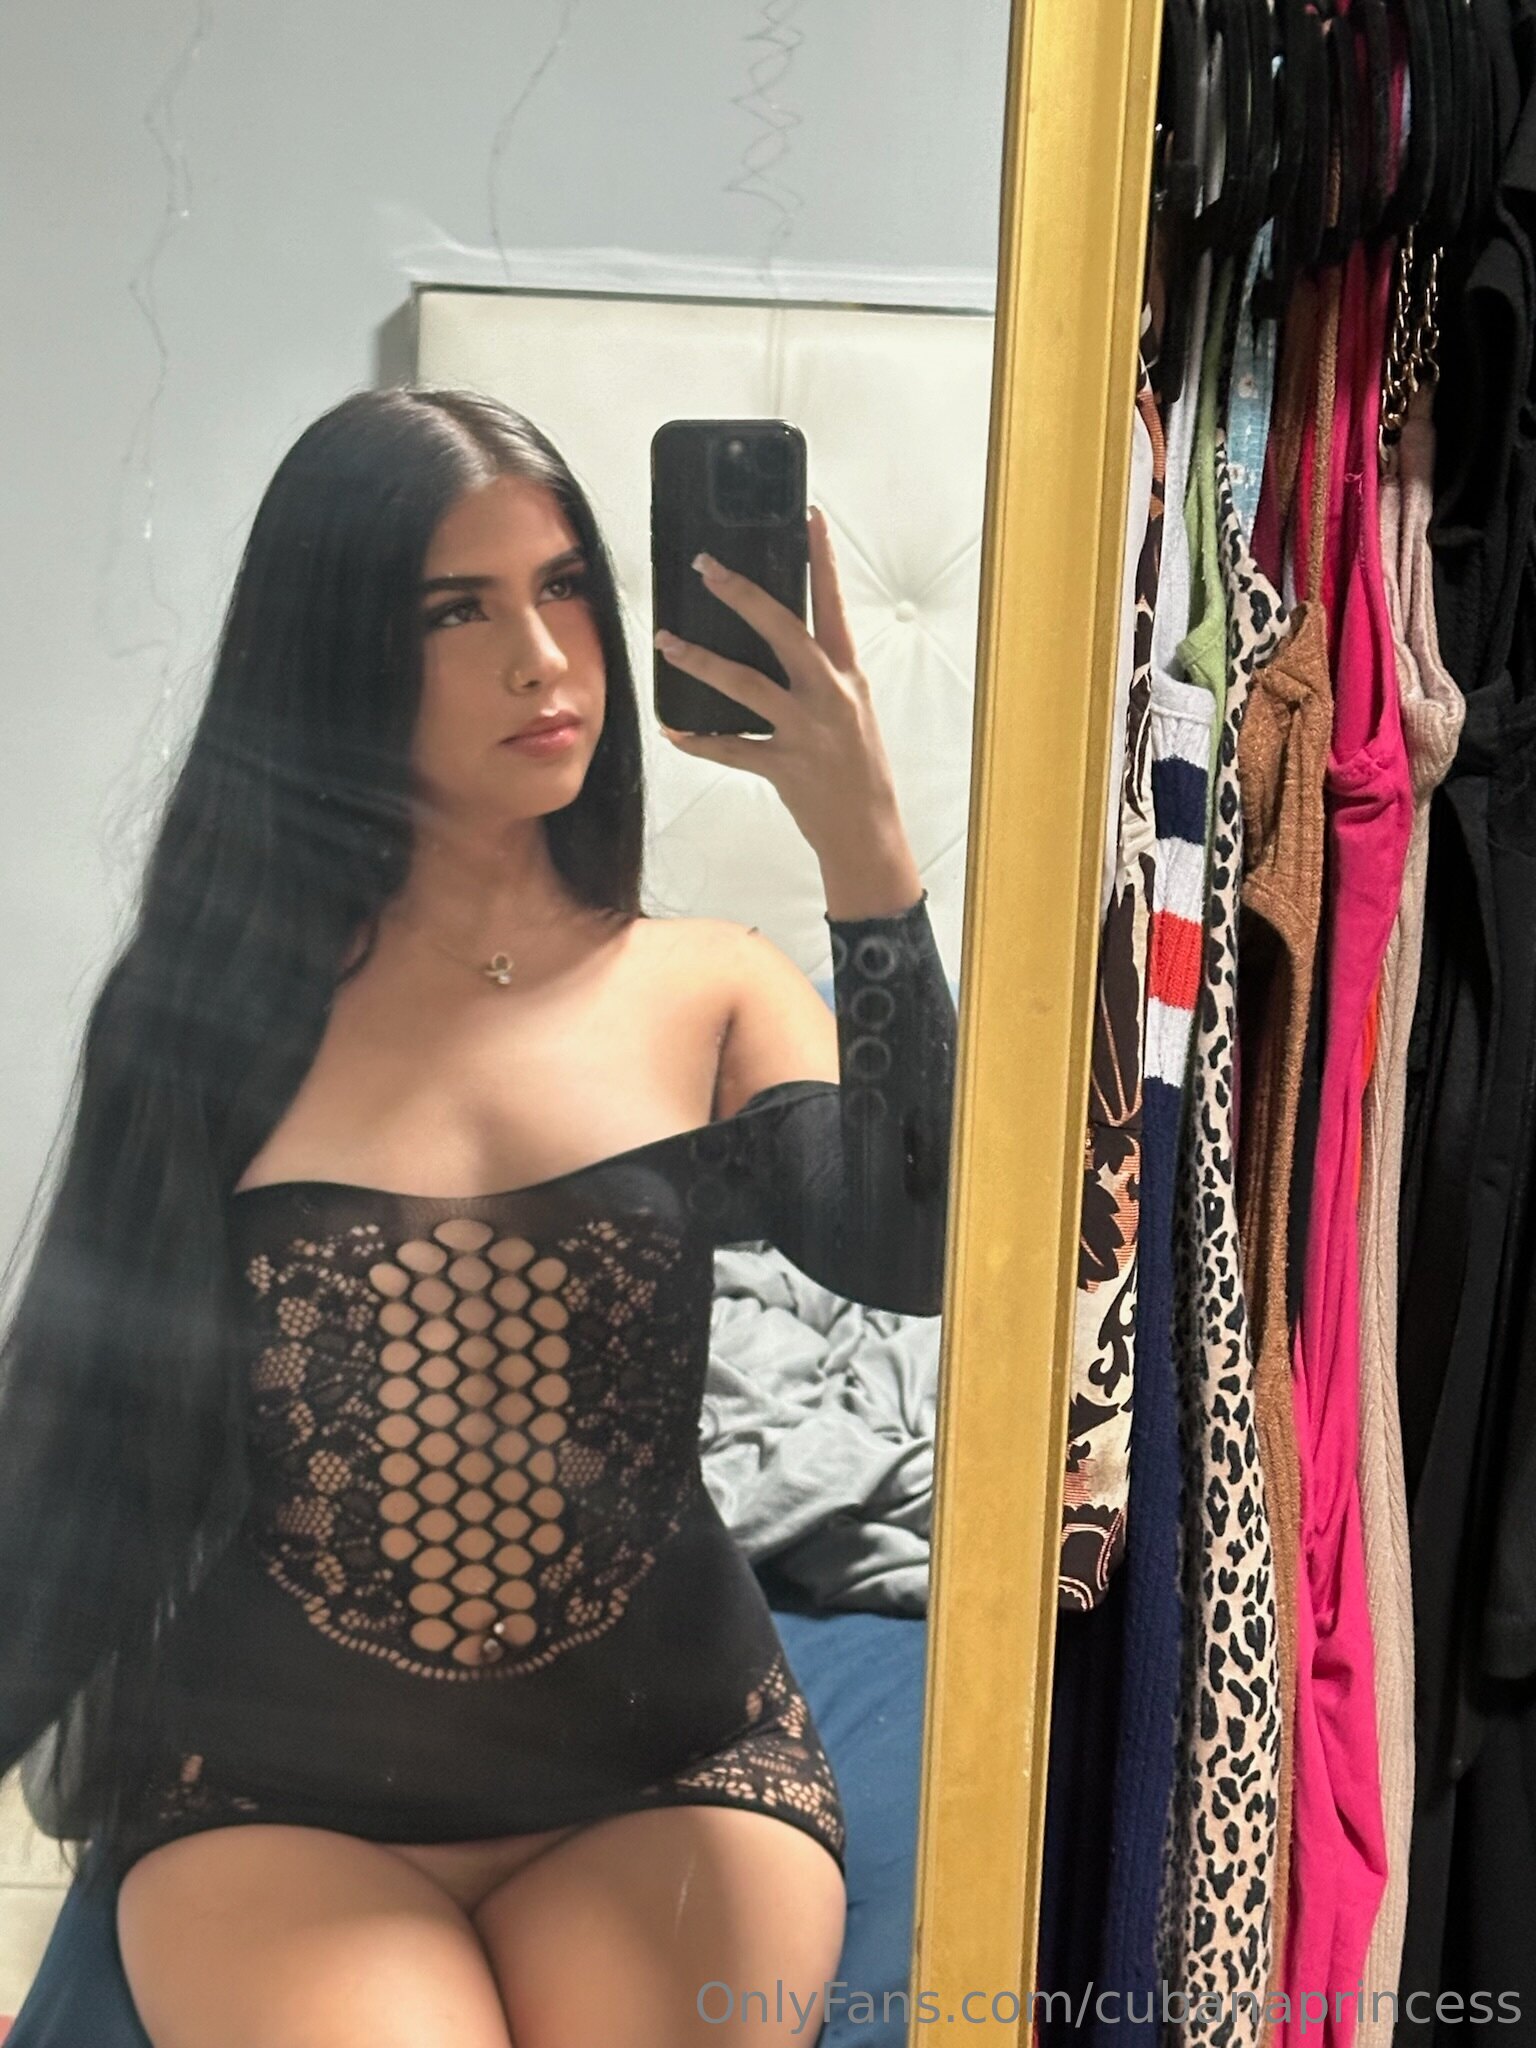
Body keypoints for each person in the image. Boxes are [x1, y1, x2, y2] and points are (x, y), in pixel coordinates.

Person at [0, 386, 956, 2047]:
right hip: (279, 1799)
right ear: (334, 654)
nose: (543, 658)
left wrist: (865, 856)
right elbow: (81, 1451)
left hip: (671, 1768)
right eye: (458, 609)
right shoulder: (204, 1020)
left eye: (566, 585)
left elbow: (917, 1250)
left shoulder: (713, 986)